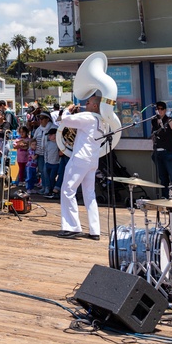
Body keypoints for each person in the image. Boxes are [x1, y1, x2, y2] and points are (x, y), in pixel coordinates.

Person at [57, 95, 107, 240]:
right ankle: (94, 230)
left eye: (89, 102)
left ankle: (72, 227)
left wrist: (67, 110)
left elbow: (65, 120)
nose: (86, 104)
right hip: (92, 160)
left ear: (95, 106)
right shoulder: (101, 121)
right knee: (90, 194)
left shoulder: (88, 117)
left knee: (67, 190)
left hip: (80, 159)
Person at [151, 101, 172, 199]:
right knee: (163, 178)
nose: (159, 111)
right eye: (157, 109)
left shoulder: (169, 121)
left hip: (169, 153)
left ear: (165, 110)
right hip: (158, 153)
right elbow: (153, 136)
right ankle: (165, 198)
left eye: (161, 109)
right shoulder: (153, 121)